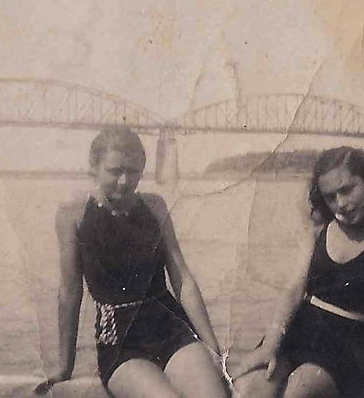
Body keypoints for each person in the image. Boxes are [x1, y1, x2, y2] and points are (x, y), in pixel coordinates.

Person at [35, 126, 229, 398]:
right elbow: (70, 292)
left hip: (171, 328)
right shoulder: (74, 213)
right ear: (94, 166)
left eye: (134, 172)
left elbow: (182, 279)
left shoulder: (155, 207)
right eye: (115, 171)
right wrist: (65, 366)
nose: (125, 181)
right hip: (121, 344)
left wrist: (212, 348)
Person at [230, 147, 364, 398]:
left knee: (297, 393)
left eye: (347, 190)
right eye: (330, 197)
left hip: (345, 345)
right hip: (297, 331)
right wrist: (270, 345)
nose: (341, 203)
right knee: (250, 390)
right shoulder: (320, 228)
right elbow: (294, 290)